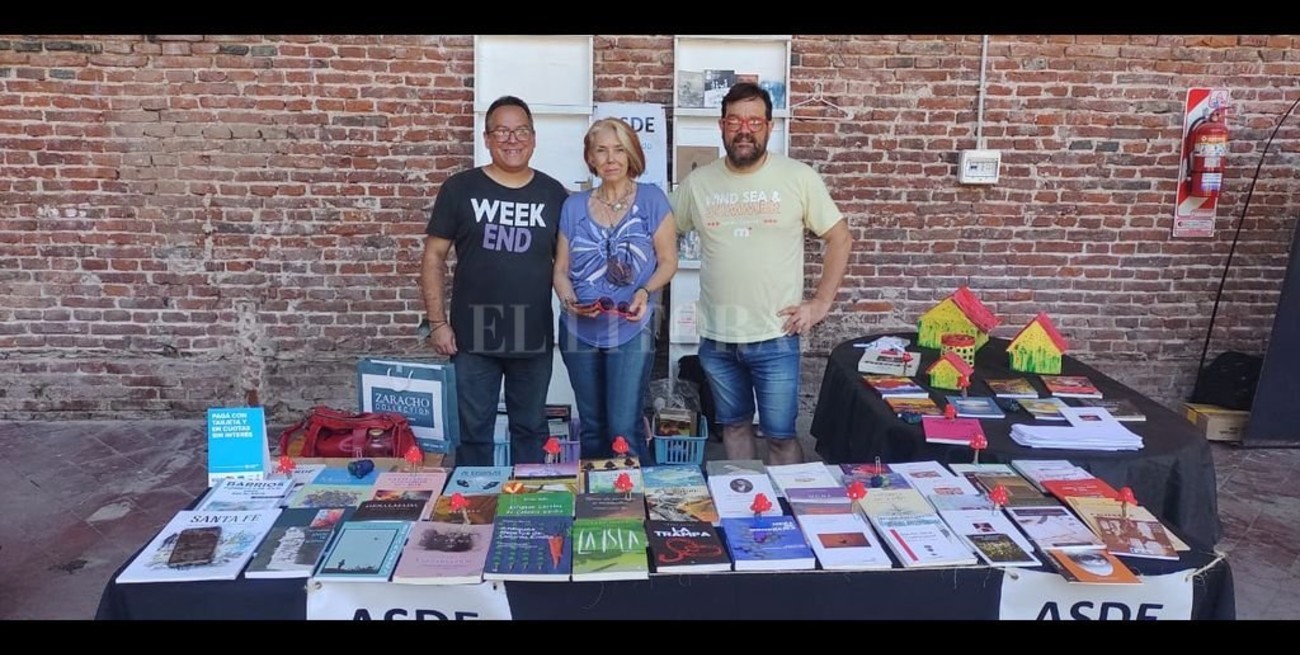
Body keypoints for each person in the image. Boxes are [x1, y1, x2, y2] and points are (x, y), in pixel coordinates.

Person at [671, 82, 853, 465]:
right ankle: (746, 513)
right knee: (734, 428)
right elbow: (664, 233)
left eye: (755, 121)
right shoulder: (698, 184)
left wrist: (820, 303)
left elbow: (839, 238)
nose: (744, 129)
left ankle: (792, 513)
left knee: (780, 437)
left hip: (775, 336)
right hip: (718, 339)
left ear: (770, 127)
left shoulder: (797, 178)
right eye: (735, 121)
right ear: (722, 125)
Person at [420, 95, 570, 467]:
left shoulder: (554, 194)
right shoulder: (460, 189)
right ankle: (474, 514)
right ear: (486, 138)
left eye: (520, 131)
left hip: (531, 334)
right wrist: (437, 324)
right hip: (472, 336)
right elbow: (433, 256)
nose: (512, 139)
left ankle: (530, 510)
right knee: (473, 433)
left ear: (534, 138)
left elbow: (567, 266)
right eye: (501, 131)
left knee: (532, 430)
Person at [553, 118, 678, 462]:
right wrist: (569, 300)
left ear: (631, 154)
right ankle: (595, 506)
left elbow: (668, 261)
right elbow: (560, 270)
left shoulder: (652, 199)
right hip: (579, 330)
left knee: (624, 425)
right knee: (592, 425)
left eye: (619, 149)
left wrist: (643, 291)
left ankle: (634, 504)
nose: (610, 159)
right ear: (590, 158)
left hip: (631, 329)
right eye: (601, 150)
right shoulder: (573, 206)